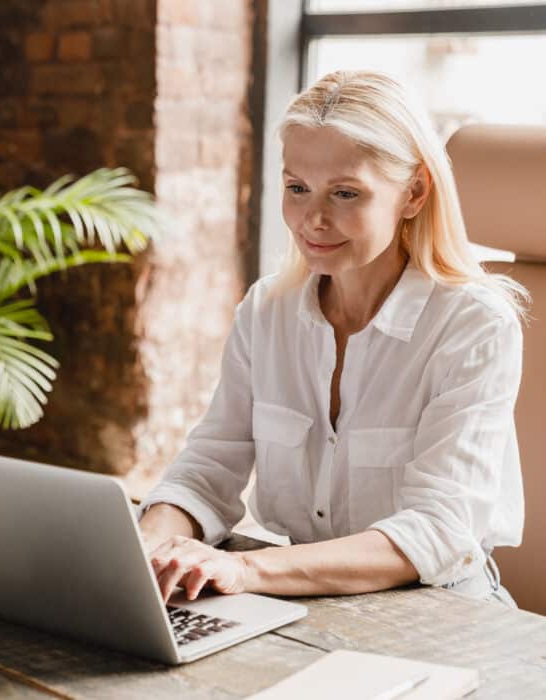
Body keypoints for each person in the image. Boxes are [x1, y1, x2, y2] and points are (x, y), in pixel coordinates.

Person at [138, 70, 527, 609]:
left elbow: (440, 527)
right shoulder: (266, 311)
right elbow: (208, 468)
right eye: (297, 188)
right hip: (307, 606)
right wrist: (143, 549)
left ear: (413, 193)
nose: (313, 220)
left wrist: (243, 566)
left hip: (444, 613)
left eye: (345, 193)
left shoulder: (473, 324)